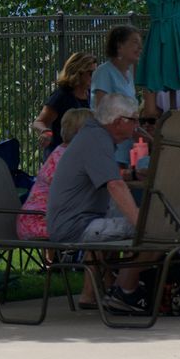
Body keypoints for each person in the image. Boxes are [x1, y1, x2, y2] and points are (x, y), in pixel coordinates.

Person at [44, 92, 146, 313]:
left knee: (132, 219)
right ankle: (124, 292)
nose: (137, 126)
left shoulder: (93, 136)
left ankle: (97, 292)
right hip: (77, 226)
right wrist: (142, 225)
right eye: (134, 120)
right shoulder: (97, 139)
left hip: (75, 221)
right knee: (155, 230)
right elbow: (115, 185)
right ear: (118, 121)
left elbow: (108, 177)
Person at [17, 107, 92, 240]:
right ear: (81, 132)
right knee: (99, 229)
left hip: (35, 220)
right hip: (41, 222)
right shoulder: (70, 158)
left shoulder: (61, 151)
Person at [92, 26, 154, 169]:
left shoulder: (128, 74)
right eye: (134, 42)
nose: (140, 47)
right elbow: (101, 112)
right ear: (120, 46)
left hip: (127, 144)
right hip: (112, 145)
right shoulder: (104, 72)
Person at [33, 52, 96, 152]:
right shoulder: (61, 96)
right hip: (60, 154)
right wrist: (45, 132)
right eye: (91, 73)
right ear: (78, 72)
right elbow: (39, 122)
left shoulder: (91, 93)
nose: (95, 77)